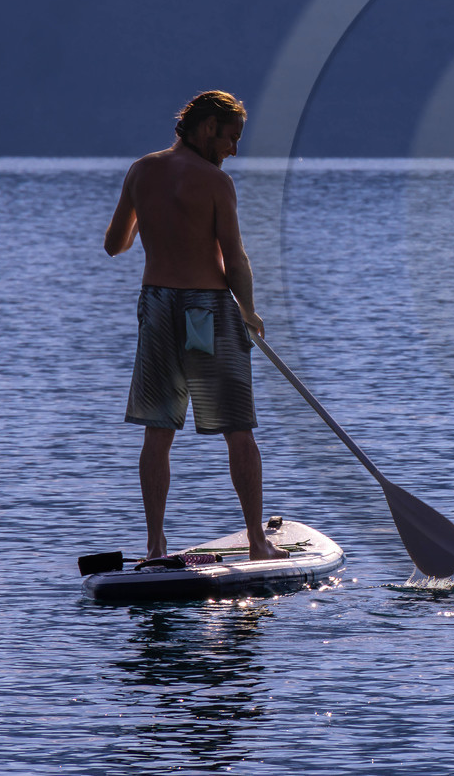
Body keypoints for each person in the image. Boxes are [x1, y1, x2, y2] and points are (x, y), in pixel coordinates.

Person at [103, 90, 286, 562]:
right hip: (207, 311)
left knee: (157, 433)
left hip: (157, 307)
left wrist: (154, 218)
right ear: (207, 128)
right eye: (230, 138)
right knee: (238, 430)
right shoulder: (214, 183)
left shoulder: (141, 171)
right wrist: (249, 311)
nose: (233, 150)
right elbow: (236, 258)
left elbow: (114, 244)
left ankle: (155, 544)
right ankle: (257, 540)